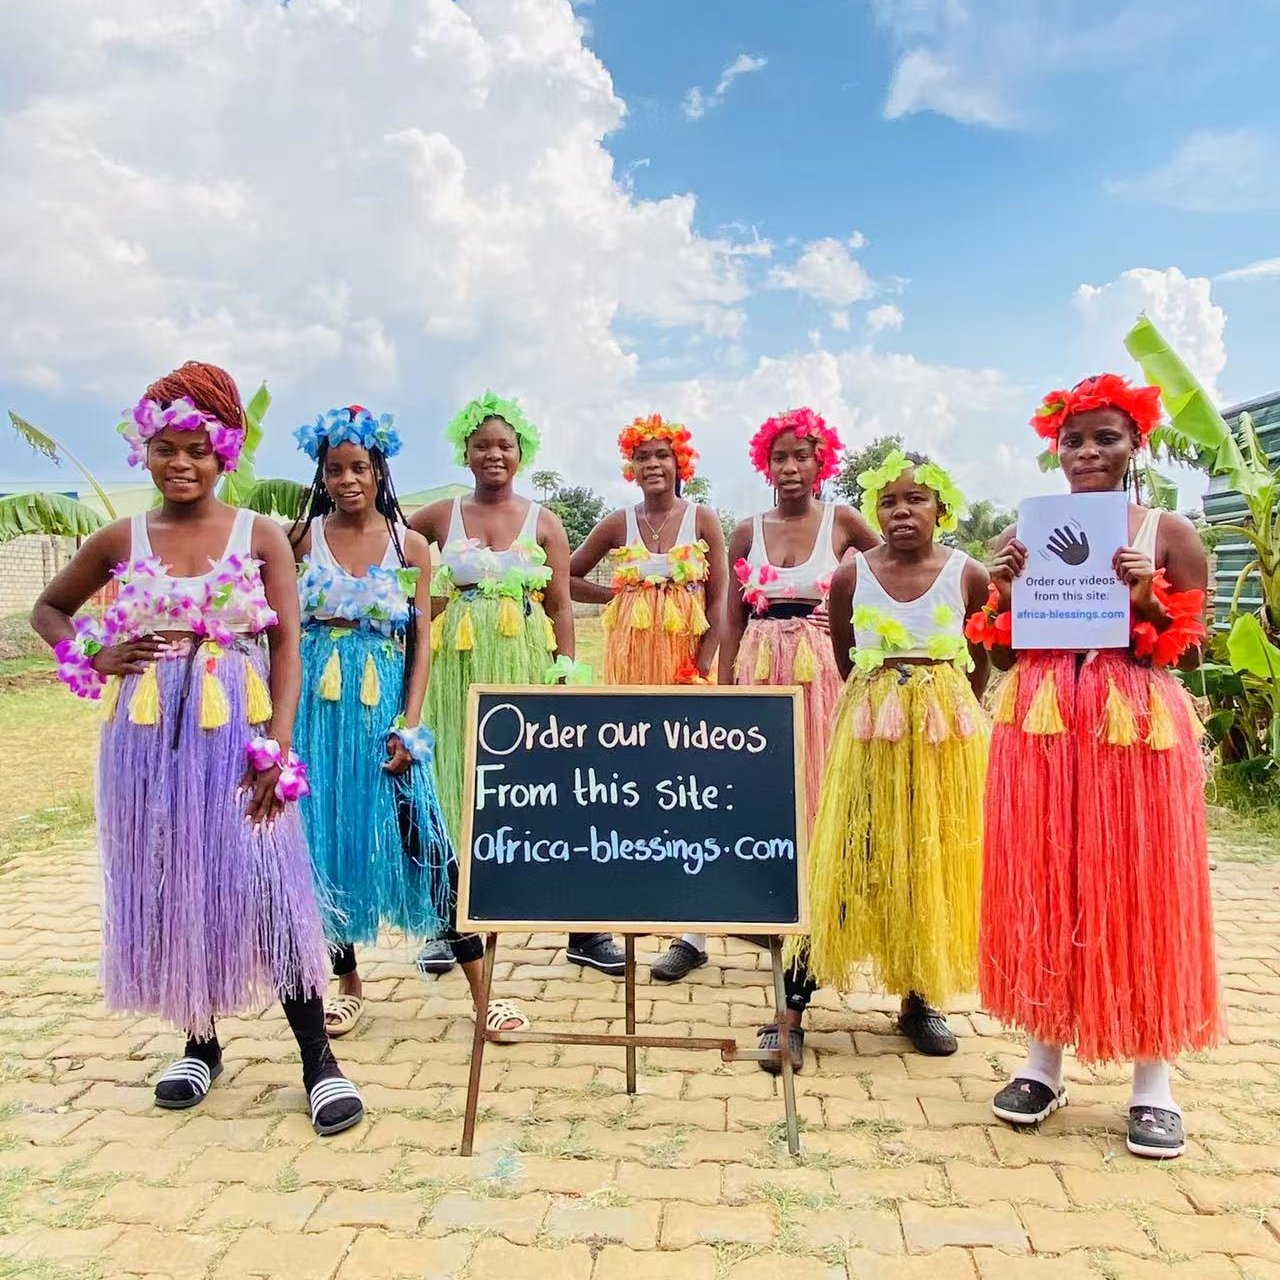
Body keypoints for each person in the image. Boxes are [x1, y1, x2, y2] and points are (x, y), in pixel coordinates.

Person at [32, 361, 363, 1135]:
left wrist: (278, 748)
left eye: (197, 450)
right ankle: (199, 1041)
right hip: (146, 743)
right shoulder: (121, 537)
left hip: (240, 740)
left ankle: (320, 1060)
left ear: (225, 453)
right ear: (143, 449)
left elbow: (286, 649)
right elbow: (50, 609)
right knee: (176, 879)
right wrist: (90, 655)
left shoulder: (261, 537)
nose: (181, 463)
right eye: (164, 447)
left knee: (269, 888)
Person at [974, 373, 1219, 1160]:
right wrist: (1003, 587)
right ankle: (1043, 1061)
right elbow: (1002, 649)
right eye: (1074, 440)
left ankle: (1154, 1082)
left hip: (1132, 722)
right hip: (1041, 715)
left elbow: (1191, 648)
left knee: (1139, 884)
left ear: (1134, 444)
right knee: (1044, 877)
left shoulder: (1169, 532)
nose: (1087, 452)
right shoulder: (1032, 529)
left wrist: (1146, 598)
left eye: (1105, 437)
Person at [772, 450, 990, 1069]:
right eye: (889, 501)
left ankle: (919, 997)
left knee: (929, 858)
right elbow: (845, 660)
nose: (901, 512)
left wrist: (938, 707)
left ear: (941, 509)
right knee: (846, 856)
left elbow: (980, 667)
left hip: (944, 739)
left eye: (916, 499)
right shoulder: (851, 576)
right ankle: (793, 1004)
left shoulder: (968, 574)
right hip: (869, 730)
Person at [410, 393, 623, 1013]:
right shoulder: (437, 517)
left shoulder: (545, 521)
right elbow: (389, 546)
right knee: (452, 790)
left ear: (521, 452)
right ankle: (446, 927)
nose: (494, 454)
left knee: (542, 794)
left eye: (505, 445)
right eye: (482, 445)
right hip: (456, 668)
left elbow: (559, 603)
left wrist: (563, 673)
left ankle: (581, 929)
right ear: (465, 452)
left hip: (525, 662)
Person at [290, 406, 450, 1039]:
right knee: (323, 842)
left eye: (360, 466)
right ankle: (346, 979)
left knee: (424, 840)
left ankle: (478, 982)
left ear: (380, 470)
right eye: (335, 469)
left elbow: (421, 643)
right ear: (321, 474)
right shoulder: (299, 541)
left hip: (383, 711)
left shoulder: (410, 545)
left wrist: (410, 724)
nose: (347, 479)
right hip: (317, 716)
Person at [568, 415, 728, 982]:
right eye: (643, 457)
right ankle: (632, 900)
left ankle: (693, 934)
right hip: (629, 669)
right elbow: (562, 577)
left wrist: (704, 665)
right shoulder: (618, 523)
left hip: (686, 671)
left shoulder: (702, 519)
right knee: (635, 784)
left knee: (692, 790)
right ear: (630, 467)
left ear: (680, 462)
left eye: (663, 455)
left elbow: (722, 602)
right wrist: (616, 590)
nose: (653, 465)